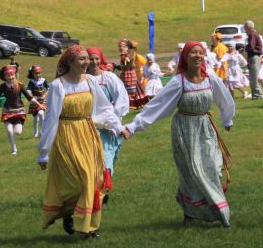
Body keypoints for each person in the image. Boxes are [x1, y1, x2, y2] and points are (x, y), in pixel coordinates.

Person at [125, 42, 235, 227]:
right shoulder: (179, 81)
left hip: (205, 128)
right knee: (192, 171)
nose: (198, 56)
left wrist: (227, 119)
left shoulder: (210, 78)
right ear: (185, 56)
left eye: (201, 53)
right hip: (185, 130)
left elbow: (224, 97)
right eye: (193, 53)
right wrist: (133, 126)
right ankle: (192, 213)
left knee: (212, 167)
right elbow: (157, 105)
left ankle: (215, 207)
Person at [38, 46, 128, 238]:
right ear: (69, 62)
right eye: (81, 59)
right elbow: (51, 119)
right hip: (67, 136)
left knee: (94, 180)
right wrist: (44, 152)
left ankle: (88, 227)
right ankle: (70, 213)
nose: (86, 62)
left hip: (88, 134)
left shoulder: (90, 82)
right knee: (80, 180)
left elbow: (104, 108)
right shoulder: (58, 86)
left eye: (87, 58)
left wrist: (119, 128)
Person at [86, 47, 130, 204]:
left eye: (96, 58)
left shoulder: (109, 78)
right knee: (92, 160)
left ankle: (103, 190)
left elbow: (122, 98)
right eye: (90, 58)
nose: (94, 62)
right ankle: (96, 191)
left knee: (107, 158)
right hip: (89, 127)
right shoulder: (83, 79)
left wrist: (112, 119)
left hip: (109, 127)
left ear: (101, 59)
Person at [0, 65, 38, 155]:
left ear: (14, 75)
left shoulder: (20, 85)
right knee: (9, 131)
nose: (10, 77)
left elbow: (29, 97)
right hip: (7, 111)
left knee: (17, 132)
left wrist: (39, 104)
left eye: (12, 75)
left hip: (19, 111)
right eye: (8, 75)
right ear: (4, 77)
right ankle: (14, 149)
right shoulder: (3, 86)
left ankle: (16, 138)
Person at [115, 42, 148, 109]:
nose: (121, 48)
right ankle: (133, 103)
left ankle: (132, 104)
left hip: (129, 73)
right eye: (120, 46)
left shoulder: (129, 55)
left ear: (128, 48)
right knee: (128, 88)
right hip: (126, 73)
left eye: (124, 46)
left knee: (131, 89)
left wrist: (121, 67)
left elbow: (128, 65)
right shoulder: (124, 55)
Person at [26, 65, 49, 138]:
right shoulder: (31, 82)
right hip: (34, 102)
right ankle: (35, 131)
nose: (38, 75)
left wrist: (44, 96)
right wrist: (32, 97)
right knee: (36, 118)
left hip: (42, 101)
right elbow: (28, 91)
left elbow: (48, 89)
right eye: (36, 73)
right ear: (33, 74)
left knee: (41, 114)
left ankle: (42, 131)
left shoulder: (44, 80)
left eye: (39, 73)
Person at [244, 20, 263, 99]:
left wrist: (245, 48)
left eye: (245, 27)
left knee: (253, 78)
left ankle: (258, 95)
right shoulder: (252, 34)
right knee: (252, 78)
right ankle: (255, 95)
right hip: (253, 56)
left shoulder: (252, 34)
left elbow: (251, 46)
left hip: (254, 56)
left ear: (248, 27)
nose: (244, 29)